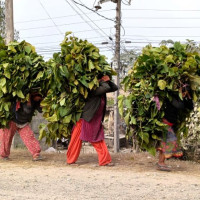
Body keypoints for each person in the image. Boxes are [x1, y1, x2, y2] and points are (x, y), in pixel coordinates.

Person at [67, 74, 118, 166]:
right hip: (87, 118)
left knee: (93, 137)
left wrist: (108, 80)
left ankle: (104, 160)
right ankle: (71, 160)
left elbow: (114, 87)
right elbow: (106, 88)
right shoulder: (91, 89)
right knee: (88, 138)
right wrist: (103, 81)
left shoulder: (100, 86)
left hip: (92, 118)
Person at [157, 84, 193, 171]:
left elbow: (190, 107)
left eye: (185, 94)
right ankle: (160, 162)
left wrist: (189, 97)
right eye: (184, 93)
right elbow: (179, 106)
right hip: (164, 123)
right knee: (170, 141)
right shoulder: (171, 97)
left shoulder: (182, 98)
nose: (184, 95)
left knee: (164, 143)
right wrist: (181, 93)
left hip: (170, 124)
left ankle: (160, 162)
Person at [0, 93, 43, 161]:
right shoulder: (21, 97)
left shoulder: (36, 102)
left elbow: (40, 109)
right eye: (38, 97)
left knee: (29, 136)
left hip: (23, 122)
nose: (39, 99)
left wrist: (43, 104)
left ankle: (36, 154)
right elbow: (26, 109)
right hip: (12, 120)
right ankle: (3, 155)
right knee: (6, 138)